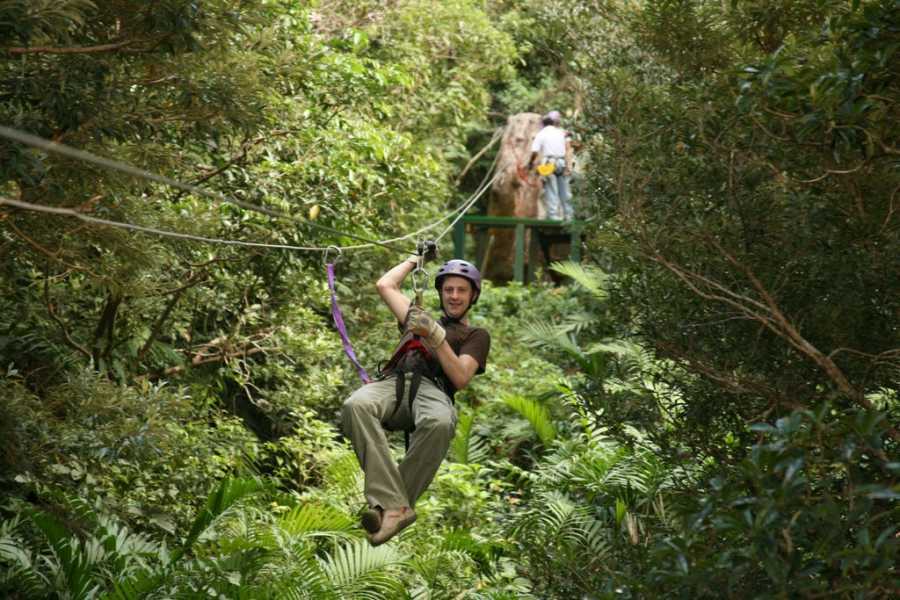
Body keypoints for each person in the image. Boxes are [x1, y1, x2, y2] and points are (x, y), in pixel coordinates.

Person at [341, 256, 491, 546]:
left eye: (461, 290)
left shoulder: (476, 335)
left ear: (473, 296)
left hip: (433, 389)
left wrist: (434, 335)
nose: (454, 296)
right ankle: (394, 505)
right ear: (440, 293)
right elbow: (385, 285)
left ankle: (388, 509)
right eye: (448, 289)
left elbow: (461, 377)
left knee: (440, 422)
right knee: (355, 405)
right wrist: (416, 258)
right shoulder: (417, 317)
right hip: (394, 383)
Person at [527, 110, 574, 221]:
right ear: (553, 123)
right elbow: (568, 148)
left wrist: (530, 163)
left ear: (543, 124)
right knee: (565, 190)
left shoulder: (541, 134)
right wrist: (569, 166)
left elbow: (535, 152)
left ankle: (553, 216)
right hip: (561, 162)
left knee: (551, 189)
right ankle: (569, 215)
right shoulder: (561, 132)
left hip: (549, 163)